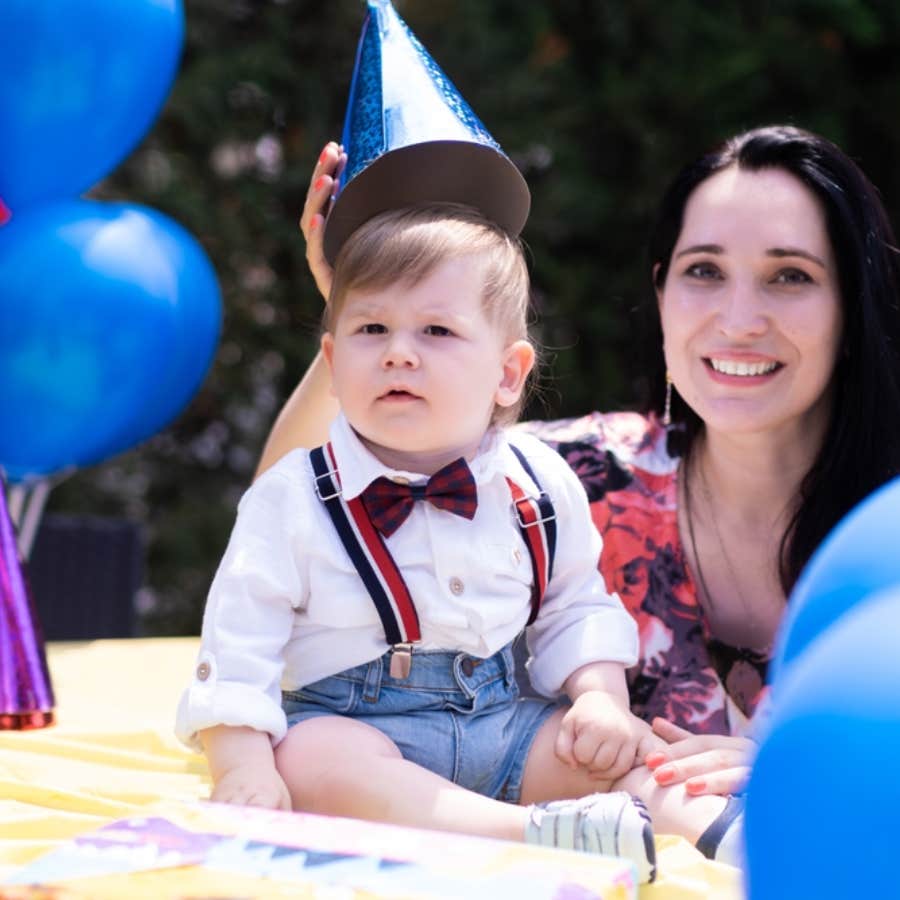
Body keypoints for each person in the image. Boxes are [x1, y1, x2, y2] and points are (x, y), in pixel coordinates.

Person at [257, 124, 900, 806]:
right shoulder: (579, 477)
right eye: (704, 271)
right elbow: (292, 507)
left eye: (790, 276)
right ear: (662, 295)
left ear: (854, 307)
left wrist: (819, 770)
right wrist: (361, 310)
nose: (739, 319)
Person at [177, 203, 749, 884]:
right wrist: (241, 763)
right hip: (359, 728)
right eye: (370, 328)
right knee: (308, 763)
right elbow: (239, 640)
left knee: (617, 750)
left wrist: (600, 697)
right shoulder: (292, 496)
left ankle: (722, 831)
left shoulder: (538, 481)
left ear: (508, 374)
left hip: (503, 725)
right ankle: (535, 835)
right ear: (332, 361)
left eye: (437, 330)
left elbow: (576, 603)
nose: (398, 350)